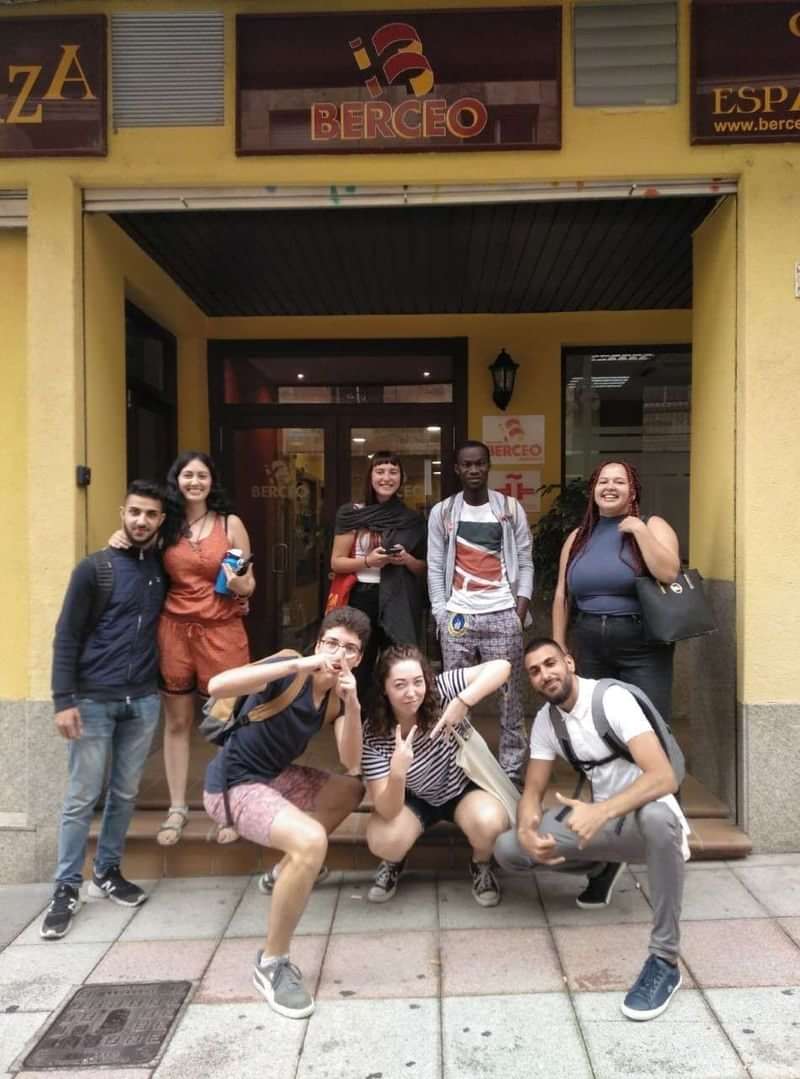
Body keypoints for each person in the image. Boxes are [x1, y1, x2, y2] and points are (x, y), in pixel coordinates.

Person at [495, 638, 689, 1022]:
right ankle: (602, 866)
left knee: (657, 819)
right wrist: (527, 830)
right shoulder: (548, 722)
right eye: (534, 671)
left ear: (568, 661)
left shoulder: (611, 700)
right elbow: (532, 790)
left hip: (642, 819)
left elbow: (663, 776)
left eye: (550, 663)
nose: (545, 674)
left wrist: (601, 812)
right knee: (506, 849)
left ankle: (665, 960)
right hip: (599, 820)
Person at [203, 606, 369, 1019]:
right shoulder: (287, 665)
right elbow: (216, 684)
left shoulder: (336, 697)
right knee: (312, 842)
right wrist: (300, 663)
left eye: (349, 648)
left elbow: (351, 760)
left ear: (359, 658)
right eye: (331, 643)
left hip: (274, 778)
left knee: (350, 789)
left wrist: (353, 704)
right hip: (233, 785)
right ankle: (271, 963)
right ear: (318, 644)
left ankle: (284, 871)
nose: (337, 653)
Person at [41, 481, 167, 940]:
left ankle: (108, 871)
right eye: (134, 512)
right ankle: (65, 887)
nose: (141, 521)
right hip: (93, 699)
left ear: (160, 521)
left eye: (151, 515)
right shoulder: (94, 569)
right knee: (81, 797)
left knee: (125, 793)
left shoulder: (160, 567)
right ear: (122, 512)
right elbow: (67, 635)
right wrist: (63, 700)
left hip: (143, 699)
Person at [113, 451, 256, 846]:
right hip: (174, 631)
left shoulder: (231, 523)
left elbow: (249, 586)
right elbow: (135, 545)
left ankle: (228, 805)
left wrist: (238, 580)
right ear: (177, 480)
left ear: (212, 481)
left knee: (226, 725)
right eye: (188, 475)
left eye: (202, 475)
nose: (195, 481)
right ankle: (177, 808)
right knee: (177, 723)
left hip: (223, 631)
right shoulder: (166, 523)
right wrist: (119, 537)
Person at [363, 646, 512, 905]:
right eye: (399, 685)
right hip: (414, 798)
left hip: (461, 790)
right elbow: (386, 809)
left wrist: (464, 700)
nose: (412, 693)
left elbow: (502, 666)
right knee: (384, 840)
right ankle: (394, 860)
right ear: (384, 689)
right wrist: (397, 773)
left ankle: (480, 864)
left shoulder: (440, 690)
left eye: (417, 682)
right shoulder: (374, 732)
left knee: (490, 823)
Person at [427, 440, 533, 783]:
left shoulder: (510, 509)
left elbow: (526, 562)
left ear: (489, 466)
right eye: (466, 465)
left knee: (510, 698)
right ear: (457, 469)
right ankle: (457, 767)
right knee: (455, 697)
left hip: (503, 612)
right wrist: (441, 613)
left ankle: (512, 774)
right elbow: (434, 566)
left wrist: (519, 610)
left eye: (480, 464)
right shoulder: (443, 512)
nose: (474, 470)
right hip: (458, 617)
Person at [552, 459, 680, 722]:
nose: (610, 487)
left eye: (620, 482)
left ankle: (652, 765)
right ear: (594, 490)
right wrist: (559, 646)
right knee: (595, 723)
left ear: (632, 492)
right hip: (589, 645)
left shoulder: (653, 525)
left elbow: (668, 573)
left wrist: (639, 530)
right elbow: (562, 595)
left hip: (643, 645)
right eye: (603, 481)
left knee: (648, 722)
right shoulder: (578, 537)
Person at [330, 450, 427, 703]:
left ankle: (390, 725)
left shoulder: (411, 519)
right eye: (380, 471)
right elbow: (336, 562)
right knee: (358, 665)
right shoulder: (351, 513)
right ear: (370, 476)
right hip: (361, 598)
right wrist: (367, 561)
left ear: (401, 478)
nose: (387, 477)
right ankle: (355, 724)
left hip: (398, 601)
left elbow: (424, 569)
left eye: (393, 472)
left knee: (396, 665)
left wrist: (406, 559)